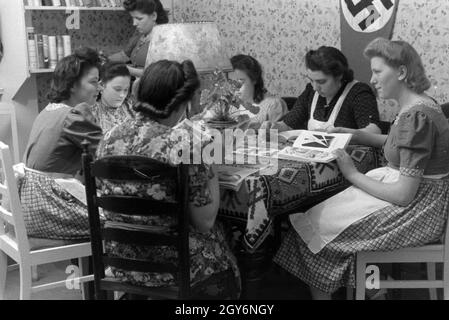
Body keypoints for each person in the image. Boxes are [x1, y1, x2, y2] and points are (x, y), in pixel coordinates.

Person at [273, 38, 449, 300]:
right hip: (420, 197)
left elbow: (403, 195)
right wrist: (354, 133)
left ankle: (368, 287)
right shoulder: (419, 105)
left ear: (401, 72)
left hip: (417, 209)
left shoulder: (416, 117)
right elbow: (396, 143)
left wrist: (352, 174)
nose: (373, 79)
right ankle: (373, 288)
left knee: (313, 231)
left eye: (378, 71)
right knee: (317, 217)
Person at [96, 59, 241, 299]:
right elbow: (204, 221)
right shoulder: (187, 146)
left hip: (123, 262)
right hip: (175, 265)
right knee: (226, 243)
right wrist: (210, 162)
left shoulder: (108, 138)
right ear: (181, 102)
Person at [20, 47, 103, 240]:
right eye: (93, 82)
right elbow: (106, 153)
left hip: (32, 204)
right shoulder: (72, 116)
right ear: (72, 85)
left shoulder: (48, 111)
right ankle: (110, 270)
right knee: (119, 219)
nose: (99, 87)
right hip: (47, 205)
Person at [261, 46, 381, 133]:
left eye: (321, 82)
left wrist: (345, 134)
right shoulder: (310, 92)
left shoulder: (358, 93)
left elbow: (374, 131)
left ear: (339, 75)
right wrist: (274, 126)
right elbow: (289, 123)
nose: (315, 87)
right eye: (311, 80)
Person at [108, 0, 168, 78]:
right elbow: (125, 54)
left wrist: (130, 70)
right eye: (133, 18)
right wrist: (107, 61)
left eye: (139, 19)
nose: (134, 23)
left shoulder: (164, 40)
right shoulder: (140, 34)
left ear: (153, 16)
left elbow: (159, 75)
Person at [229, 54, 288, 128]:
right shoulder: (227, 108)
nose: (234, 88)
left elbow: (276, 137)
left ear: (254, 79)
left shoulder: (274, 105)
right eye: (230, 82)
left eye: (240, 81)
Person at [91, 61, 134, 133]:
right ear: (101, 85)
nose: (122, 95)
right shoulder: (91, 114)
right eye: (117, 89)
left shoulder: (132, 107)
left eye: (126, 90)